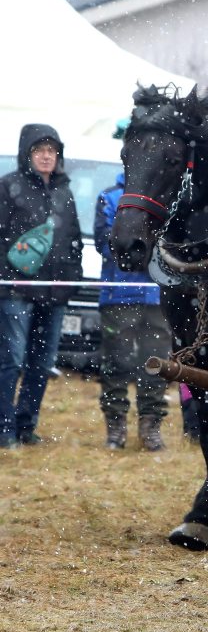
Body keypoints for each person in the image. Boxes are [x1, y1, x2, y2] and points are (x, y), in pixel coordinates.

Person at [0, 124, 82, 449]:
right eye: (39, 150)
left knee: (42, 364)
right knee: (12, 361)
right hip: (16, 293)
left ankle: (25, 426)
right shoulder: (8, 187)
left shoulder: (65, 191)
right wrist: (10, 275)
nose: (46, 156)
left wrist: (72, 280)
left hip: (55, 293)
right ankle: (4, 430)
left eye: (52, 150)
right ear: (27, 154)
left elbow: (74, 239)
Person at [94, 170, 172, 451]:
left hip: (157, 297)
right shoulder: (110, 196)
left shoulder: (167, 195)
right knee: (117, 361)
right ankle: (115, 425)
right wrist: (135, 253)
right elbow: (105, 243)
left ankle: (151, 424)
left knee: (156, 362)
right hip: (119, 295)